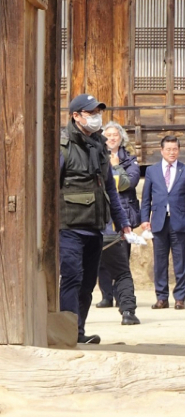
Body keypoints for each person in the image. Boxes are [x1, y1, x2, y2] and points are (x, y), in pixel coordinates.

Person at [59, 94, 132, 345]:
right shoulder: (64, 145)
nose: (96, 117)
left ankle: (78, 332)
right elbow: (50, 187)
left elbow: (109, 187)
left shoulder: (99, 145)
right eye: (90, 113)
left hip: (96, 227)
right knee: (72, 278)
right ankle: (67, 332)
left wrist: (123, 221)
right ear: (76, 116)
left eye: (97, 112)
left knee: (88, 283)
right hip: (69, 227)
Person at [141, 135, 185, 310]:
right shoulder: (152, 171)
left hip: (179, 221)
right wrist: (144, 219)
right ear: (161, 151)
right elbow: (146, 198)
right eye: (168, 149)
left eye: (175, 149)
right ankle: (161, 297)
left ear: (179, 151)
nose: (171, 152)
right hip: (158, 222)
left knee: (180, 261)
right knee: (160, 262)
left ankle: (180, 298)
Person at [96, 121, 142, 325]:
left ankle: (126, 308)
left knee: (121, 265)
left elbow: (127, 184)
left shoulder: (128, 159)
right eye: (108, 135)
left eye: (115, 135)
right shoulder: (98, 158)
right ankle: (108, 296)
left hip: (117, 219)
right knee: (99, 264)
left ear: (121, 138)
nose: (112, 138)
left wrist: (115, 165)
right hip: (99, 220)